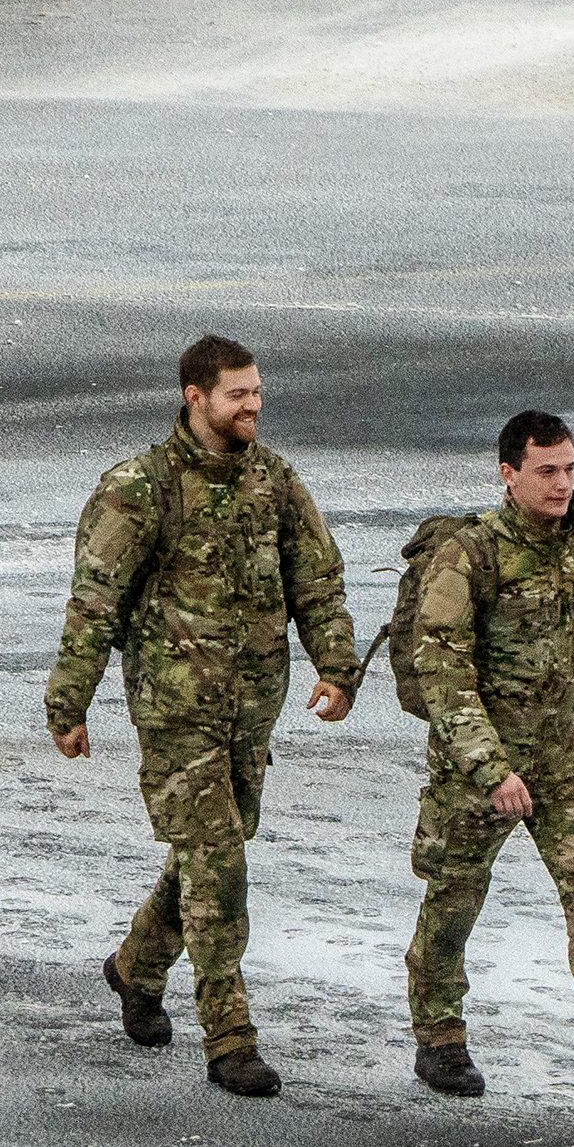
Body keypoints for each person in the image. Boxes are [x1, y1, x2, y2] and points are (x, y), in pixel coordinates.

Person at [44, 334, 361, 1098]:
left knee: (204, 859)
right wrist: (70, 701)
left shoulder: (276, 484)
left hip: (253, 709)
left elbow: (316, 580)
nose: (253, 406)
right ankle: (230, 1038)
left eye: (256, 392)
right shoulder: (139, 488)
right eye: (237, 395)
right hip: (175, 710)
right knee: (219, 865)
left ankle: (135, 967)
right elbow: (95, 602)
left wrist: (337, 666)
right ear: (196, 398)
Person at [401, 409, 574, 1118]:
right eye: (546, 471)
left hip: (571, 765)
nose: (562, 484)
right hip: (480, 771)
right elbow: (443, 673)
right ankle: (439, 1034)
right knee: (454, 901)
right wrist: (491, 769)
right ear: (508, 474)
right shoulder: (470, 557)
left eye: (570, 469)